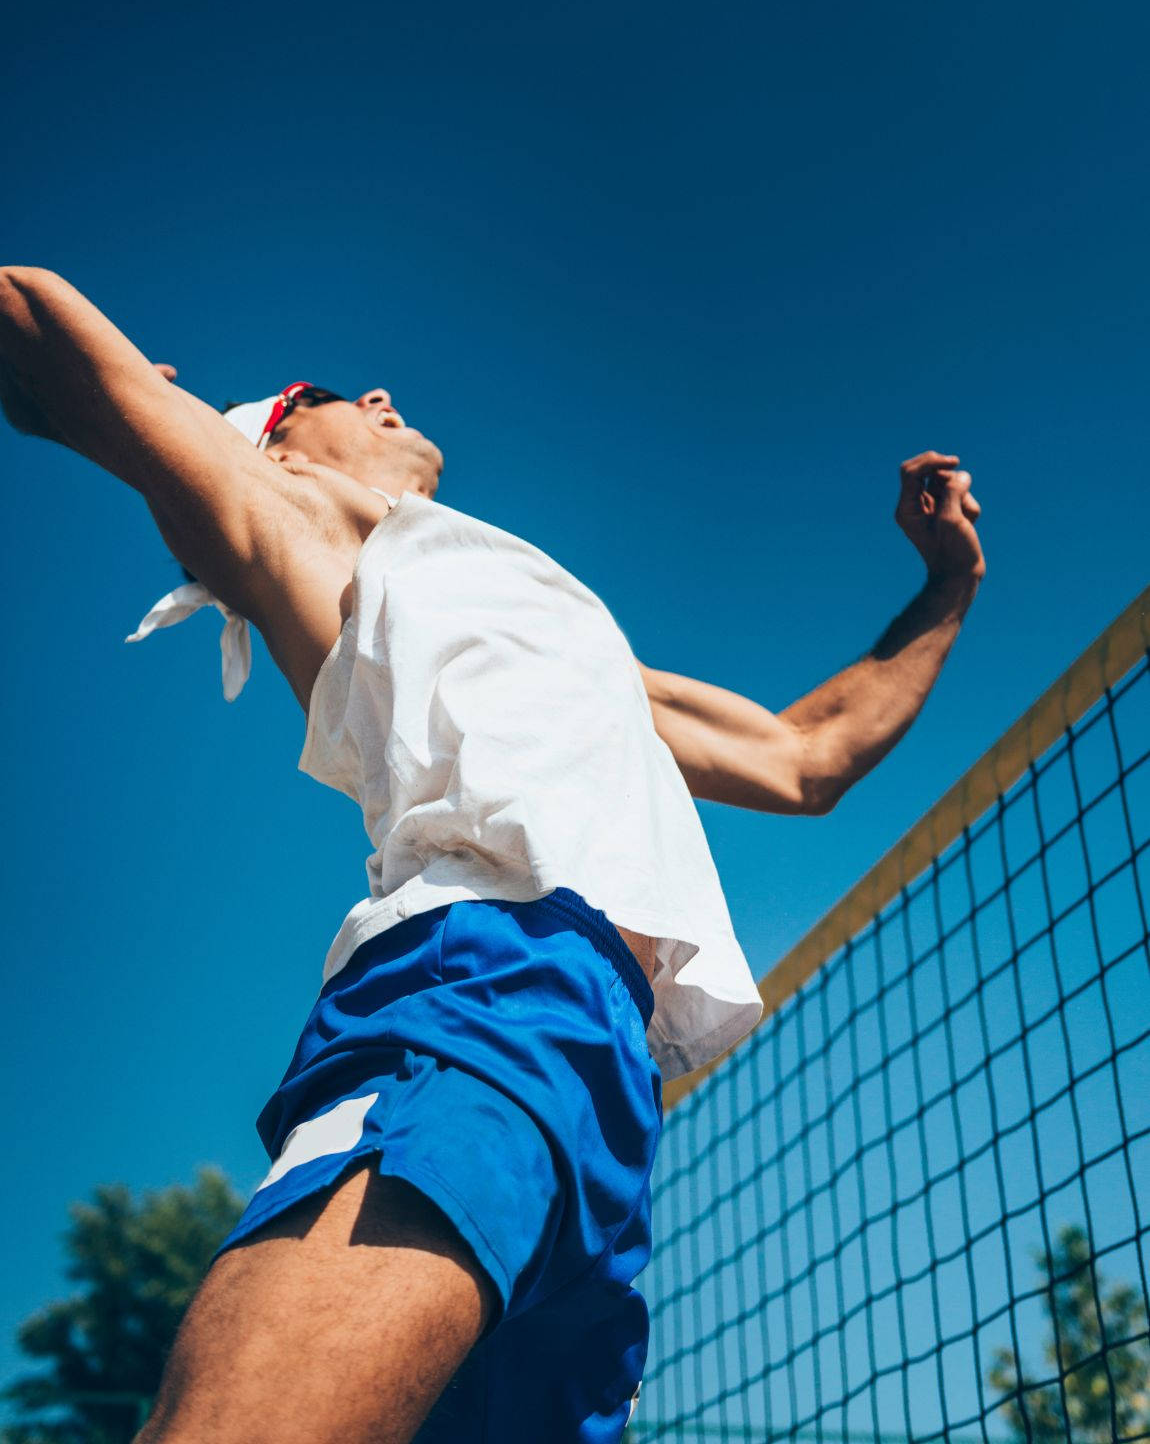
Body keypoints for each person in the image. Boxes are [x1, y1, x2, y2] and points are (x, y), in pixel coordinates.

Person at [0, 266, 985, 1444]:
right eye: (321, 393)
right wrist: (75, 396)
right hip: (484, 984)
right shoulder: (302, 529)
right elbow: (33, 313)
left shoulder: (534, 619)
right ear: (272, 451)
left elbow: (800, 756)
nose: (374, 391)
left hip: (609, 1074)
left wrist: (949, 584)